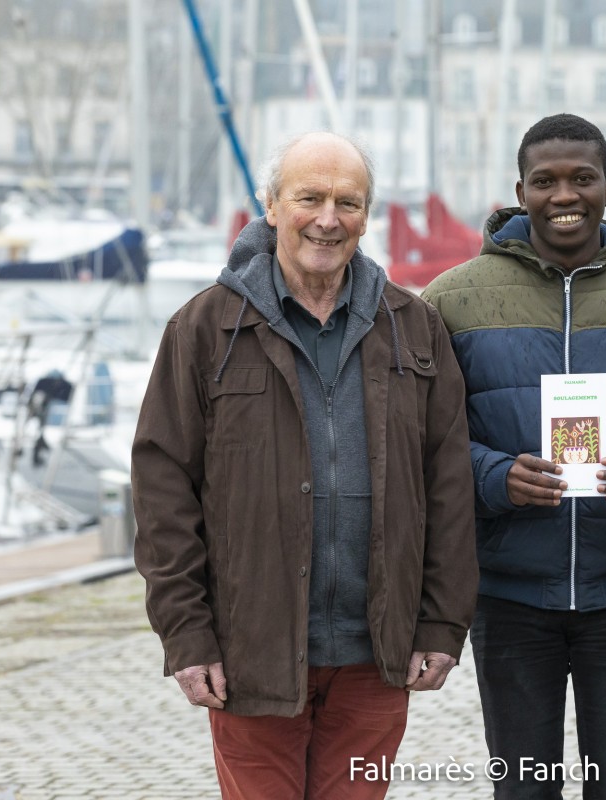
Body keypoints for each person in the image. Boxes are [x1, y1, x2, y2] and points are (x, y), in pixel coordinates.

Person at [131, 131, 478, 800]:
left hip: (376, 657)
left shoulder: (413, 327)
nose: (327, 219)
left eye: (347, 202)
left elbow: (449, 486)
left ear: (367, 215)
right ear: (270, 206)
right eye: (309, 198)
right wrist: (186, 635)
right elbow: (162, 488)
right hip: (248, 655)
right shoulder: (204, 329)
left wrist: (441, 623)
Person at [421, 113, 606, 799]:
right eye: (545, 181)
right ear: (519, 190)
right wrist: (496, 476)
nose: (564, 196)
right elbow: (423, 445)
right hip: (507, 594)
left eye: (582, 179)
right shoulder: (450, 303)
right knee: (524, 791)